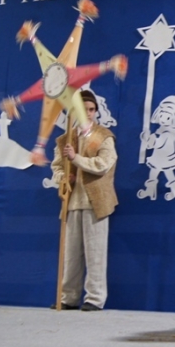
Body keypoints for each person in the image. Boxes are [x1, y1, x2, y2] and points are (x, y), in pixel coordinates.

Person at [50, 89, 118, 311]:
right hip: (71, 202)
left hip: (96, 201)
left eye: (91, 109)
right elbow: (57, 167)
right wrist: (63, 177)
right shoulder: (65, 139)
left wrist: (76, 158)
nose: (88, 113)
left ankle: (95, 298)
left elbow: (103, 164)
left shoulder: (104, 136)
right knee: (70, 255)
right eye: (83, 109)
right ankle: (68, 297)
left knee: (95, 253)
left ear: (96, 111)